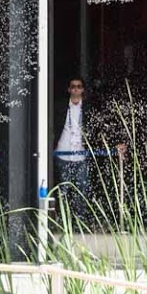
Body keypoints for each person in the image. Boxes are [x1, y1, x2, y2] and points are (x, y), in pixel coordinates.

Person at [54, 76, 91, 221]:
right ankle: (63, 219)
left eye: (79, 86)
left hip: (81, 155)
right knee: (63, 189)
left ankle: (80, 219)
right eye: (73, 86)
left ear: (83, 90)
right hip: (62, 153)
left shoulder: (87, 108)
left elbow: (97, 128)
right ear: (69, 89)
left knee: (82, 188)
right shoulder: (59, 106)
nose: (76, 89)